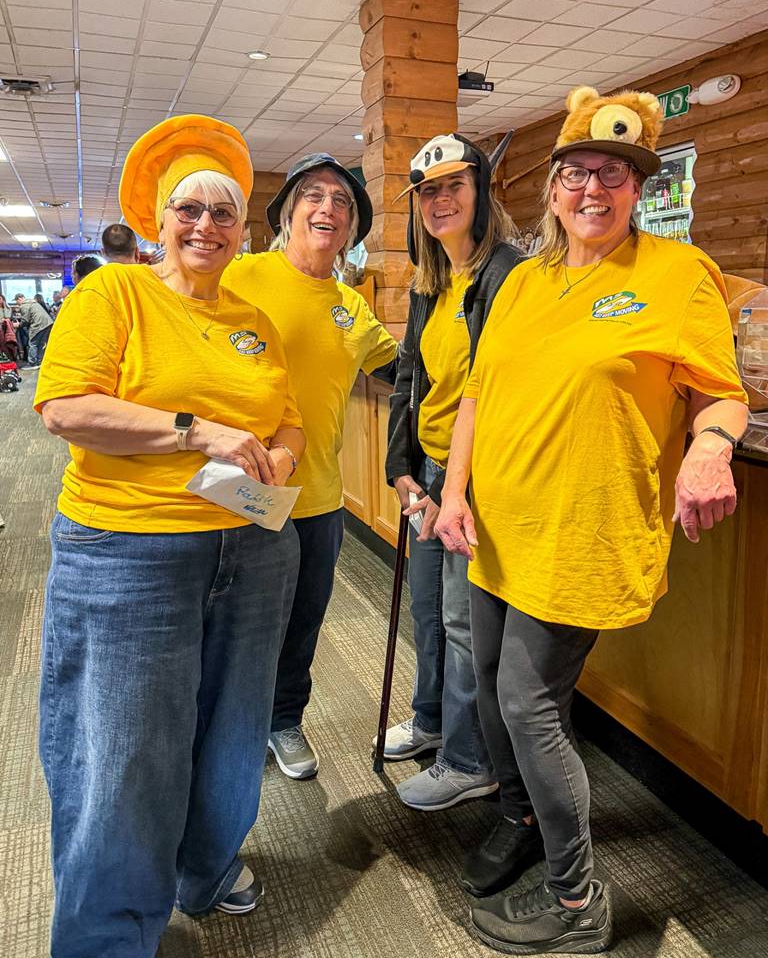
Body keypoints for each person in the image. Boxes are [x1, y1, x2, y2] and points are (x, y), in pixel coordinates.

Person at [435, 86, 749, 955]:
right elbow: (476, 395)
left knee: (528, 704)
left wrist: (710, 449)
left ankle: (577, 903)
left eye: (615, 173)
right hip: (497, 525)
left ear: (639, 188)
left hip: (583, 530)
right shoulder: (524, 280)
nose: (593, 189)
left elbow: (720, 392)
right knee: (492, 687)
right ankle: (521, 818)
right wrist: (454, 492)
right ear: (553, 188)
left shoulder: (678, 274)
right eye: (577, 173)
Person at [34, 113, 305, 957]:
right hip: (129, 552)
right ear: (159, 219)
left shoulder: (253, 318)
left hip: (252, 544)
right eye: (189, 209)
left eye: (224, 213)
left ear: (242, 229)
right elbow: (65, 407)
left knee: (233, 729)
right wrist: (196, 431)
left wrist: (281, 454)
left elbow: (288, 416)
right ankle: (107, 937)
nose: (206, 226)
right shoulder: (114, 294)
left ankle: (205, 870)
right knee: (123, 750)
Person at [223, 153, 398, 779]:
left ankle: (283, 720)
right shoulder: (239, 275)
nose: (329, 208)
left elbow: (401, 369)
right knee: (237, 621)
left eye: (342, 202)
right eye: (315, 196)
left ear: (352, 229)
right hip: (239, 490)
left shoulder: (351, 305)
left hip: (319, 495)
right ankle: (228, 730)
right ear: (287, 214)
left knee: (302, 621)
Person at [380, 134, 526, 811]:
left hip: (479, 479)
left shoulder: (507, 273)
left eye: (454, 186)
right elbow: (412, 377)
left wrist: (456, 488)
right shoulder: (431, 278)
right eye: (428, 191)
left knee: (465, 622)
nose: (440, 201)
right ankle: (433, 720)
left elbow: (498, 390)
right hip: (433, 469)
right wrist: (401, 467)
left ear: (481, 191)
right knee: (429, 611)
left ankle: (472, 760)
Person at [15, 292, 53, 367]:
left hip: (38, 324)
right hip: (48, 323)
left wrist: (18, 324)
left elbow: (25, 320)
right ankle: (39, 361)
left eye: (16, 301)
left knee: (33, 343)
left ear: (19, 298)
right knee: (41, 344)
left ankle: (32, 363)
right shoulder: (33, 302)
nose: (17, 303)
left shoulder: (24, 305)